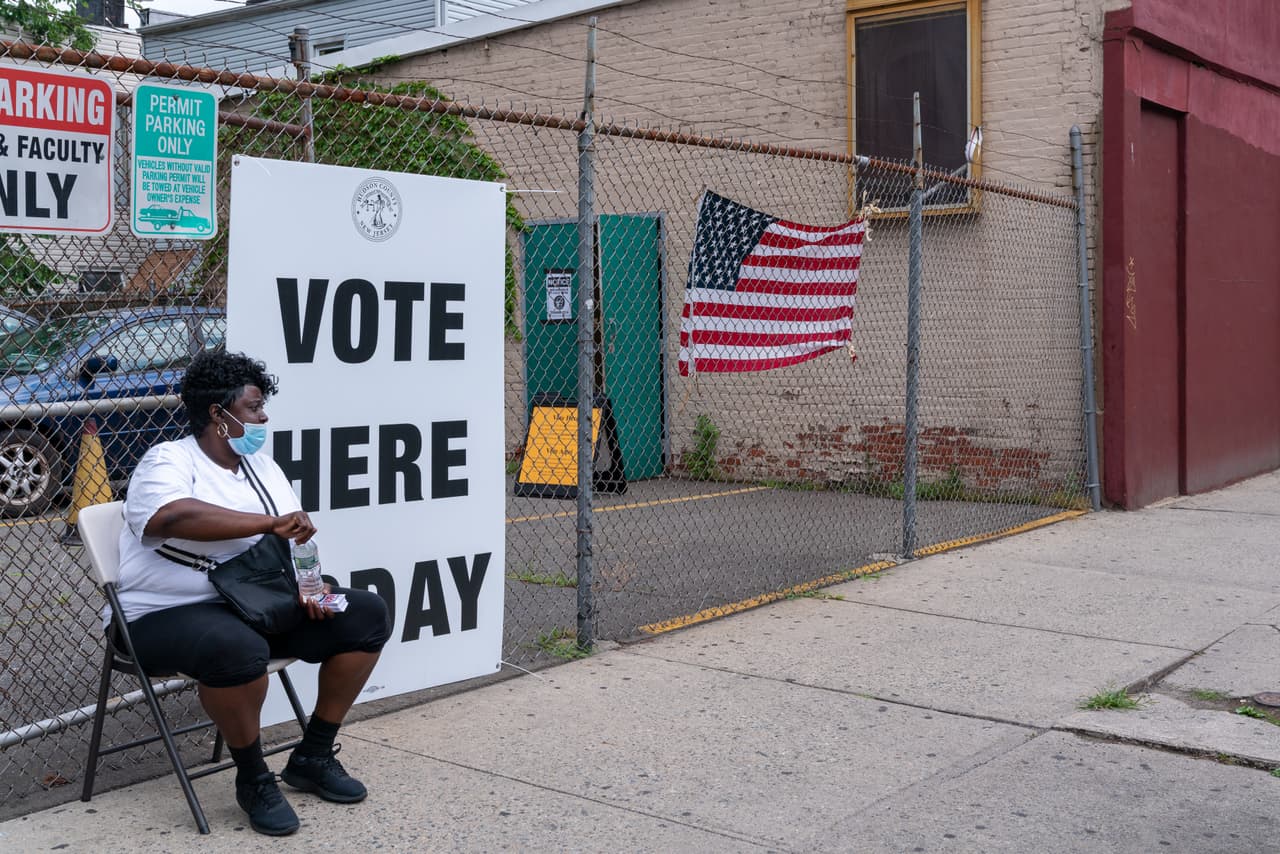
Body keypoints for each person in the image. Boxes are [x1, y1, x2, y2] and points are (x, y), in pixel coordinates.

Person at [109, 350, 391, 836]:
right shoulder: (168, 460)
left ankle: (313, 755)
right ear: (219, 414)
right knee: (236, 647)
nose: (263, 417)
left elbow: (291, 542)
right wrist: (268, 523)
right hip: (162, 616)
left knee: (364, 612)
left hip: (254, 604)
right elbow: (169, 517)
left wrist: (310, 585)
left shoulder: (262, 467)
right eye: (254, 407)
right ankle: (254, 778)